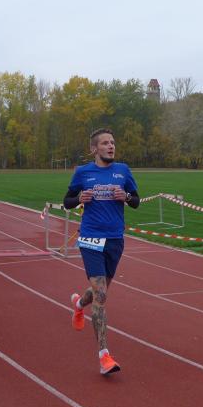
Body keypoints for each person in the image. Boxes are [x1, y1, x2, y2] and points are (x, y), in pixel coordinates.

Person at [63, 128, 140, 375]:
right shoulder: (83, 172)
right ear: (94, 149)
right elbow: (67, 201)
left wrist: (125, 196)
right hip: (90, 238)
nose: (111, 146)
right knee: (101, 294)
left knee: (101, 290)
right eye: (105, 143)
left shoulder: (123, 171)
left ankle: (78, 304)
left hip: (115, 239)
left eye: (112, 142)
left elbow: (136, 201)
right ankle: (104, 356)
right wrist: (80, 198)